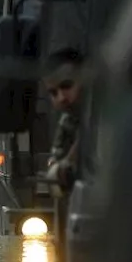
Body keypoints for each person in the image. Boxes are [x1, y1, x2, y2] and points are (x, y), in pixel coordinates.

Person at [43, 47, 85, 194]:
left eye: (67, 86)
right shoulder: (67, 121)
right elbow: (54, 172)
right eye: (53, 93)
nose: (61, 98)